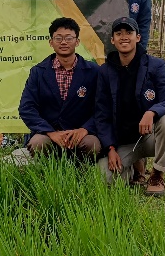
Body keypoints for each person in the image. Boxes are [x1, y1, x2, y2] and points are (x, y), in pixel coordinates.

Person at [82, 0, 155, 184]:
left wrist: (138, 55)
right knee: (103, 104)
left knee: (132, 104)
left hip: (129, 56)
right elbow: (80, 10)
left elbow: (144, 22)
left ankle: (141, 170)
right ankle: (102, 153)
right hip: (98, 53)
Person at [95, 16, 165, 197]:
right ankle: (133, 171)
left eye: (129, 32)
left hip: (151, 137)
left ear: (138, 37)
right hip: (125, 141)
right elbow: (101, 114)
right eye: (119, 33)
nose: (124, 37)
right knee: (105, 179)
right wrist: (110, 149)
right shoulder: (104, 71)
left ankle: (157, 174)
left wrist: (152, 111)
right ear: (112, 40)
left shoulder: (156, 65)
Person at [18, 17, 102, 159]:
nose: (63, 42)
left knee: (92, 144)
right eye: (58, 38)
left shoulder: (94, 71)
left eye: (69, 38)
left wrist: (85, 129)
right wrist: (50, 132)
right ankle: (47, 175)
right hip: (49, 134)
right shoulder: (38, 72)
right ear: (51, 42)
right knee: (38, 143)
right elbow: (26, 108)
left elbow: (102, 107)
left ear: (77, 42)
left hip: (80, 134)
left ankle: (81, 175)